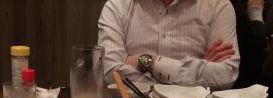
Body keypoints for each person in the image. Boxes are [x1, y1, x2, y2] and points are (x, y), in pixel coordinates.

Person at [98, 0, 240, 90]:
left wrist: (148, 61)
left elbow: (226, 75)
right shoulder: (117, 5)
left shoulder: (218, 6)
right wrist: (198, 71)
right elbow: (109, 72)